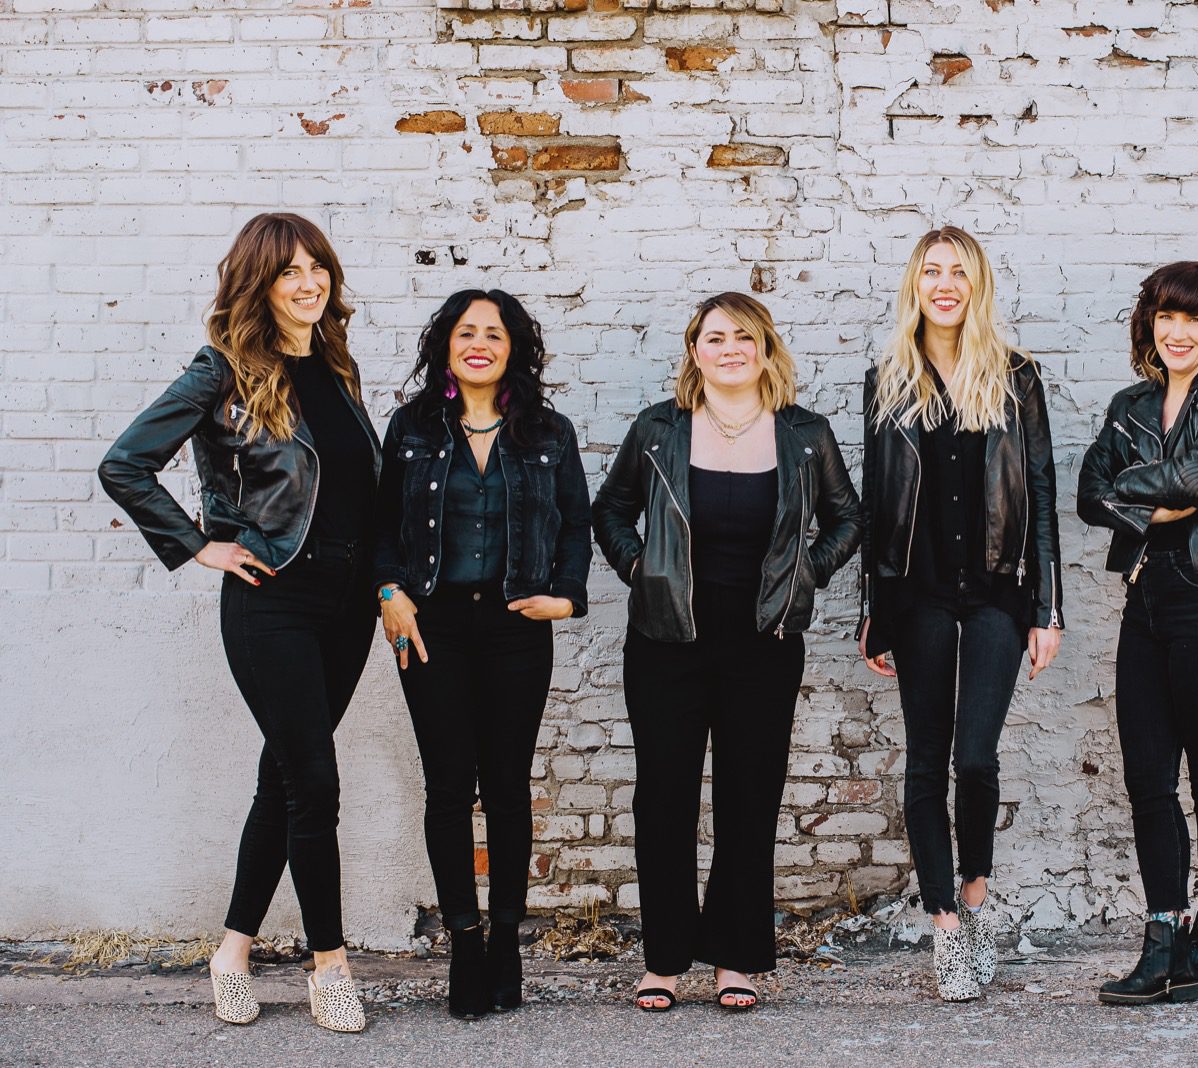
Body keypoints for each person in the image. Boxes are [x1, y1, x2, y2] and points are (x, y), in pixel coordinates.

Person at [99, 213, 379, 1032]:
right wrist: (201, 547)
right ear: (257, 283)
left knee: (284, 778)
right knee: (316, 782)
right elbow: (126, 462)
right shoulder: (222, 368)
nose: (308, 282)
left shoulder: (335, 364)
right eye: (288, 271)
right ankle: (329, 963)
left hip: (347, 604)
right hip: (273, 602)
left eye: (317, 267)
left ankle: (232, 949)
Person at [592, 292, 862, 1013]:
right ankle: (664, 961)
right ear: (694, 351)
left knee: (749, 798)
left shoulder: (804, 434)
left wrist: (809, 572)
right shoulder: (659, 429)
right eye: (716, 338)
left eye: (745, 337)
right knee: (666, 798)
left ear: (766, 349)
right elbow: (610, 510)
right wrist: (642, 568)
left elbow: (847, 517)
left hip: (764, 643)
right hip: (666, 640)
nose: (731, 348)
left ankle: (736, 958)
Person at [857, 226, 1063, 1002]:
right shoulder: (888, 378)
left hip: (999, 596)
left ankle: (974, 897)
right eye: (931, 271)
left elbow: (1039, 493)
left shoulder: (1016, 377)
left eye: (959, 272)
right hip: (916, 599)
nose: (945, 284)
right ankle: (944, 926)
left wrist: (1048, 609)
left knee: (975, 758)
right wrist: (873, 612)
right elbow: (879, 504)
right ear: (915, 283)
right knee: (923, 759)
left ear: (978, 285)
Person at [373, 289, 591, 1019]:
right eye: (466, 332)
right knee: (446, 788)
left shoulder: (547, 431)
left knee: (505, 786)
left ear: (512, 349)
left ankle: (505, 943)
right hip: (432, 627)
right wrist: (387, 590)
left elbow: (575, 525)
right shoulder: (411, 426)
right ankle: (464, 946)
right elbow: (379, 523)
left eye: (493, 334)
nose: (479, 343)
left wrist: (566, 595)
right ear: (446, 346)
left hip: (514, 630)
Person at [1077, 261, 1198, 1006]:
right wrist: (1155, 504)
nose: (1179, 331)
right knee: (1147, 782)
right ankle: (1162, 940)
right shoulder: (1131, 403)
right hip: (1148, 601)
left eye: (1194, 317)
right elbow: (1090, 492)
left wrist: (1144, 491)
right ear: (1149, 324)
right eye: (1166, 316)